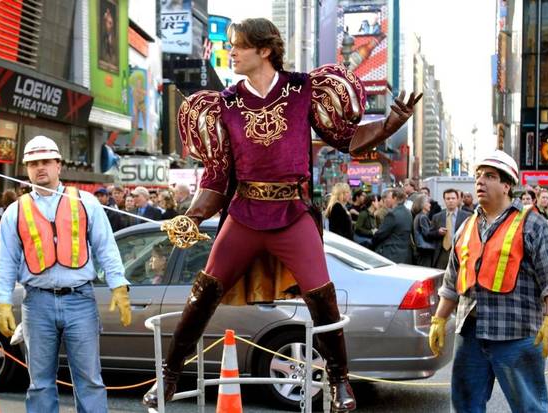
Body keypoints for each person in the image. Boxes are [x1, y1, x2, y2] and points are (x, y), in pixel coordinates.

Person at [142, 17, 420, 411]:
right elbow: (217, 177)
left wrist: (391, 122)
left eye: (238, 45)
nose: (232, 51)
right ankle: (168, 376)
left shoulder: (303, 89)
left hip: (292, 213)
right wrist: (191, 215)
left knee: (322, 298)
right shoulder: (224, 102)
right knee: (203, 292)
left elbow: (344, 139)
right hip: (244, 213)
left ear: (265, 50)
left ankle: (340, 380)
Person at [0, 135, 132, 412]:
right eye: (33, 163)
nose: (39, 168)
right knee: (40, 383)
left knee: (89, 380)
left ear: (59, 165)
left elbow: (106, 246)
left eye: (46, 162)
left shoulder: (86, 202)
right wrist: (2, 301)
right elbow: (5, 260)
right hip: (37, 303)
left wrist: (119, 285)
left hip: (79, 299)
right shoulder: (15, 211)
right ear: (26, 168)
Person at [428, 150, 548, 413]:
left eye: (489, 176)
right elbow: (451, 281)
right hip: (470, 334)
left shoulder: (534, 225)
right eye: (478, 176)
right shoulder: (466, 227)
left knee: (529, 407)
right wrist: (439, 319)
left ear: (507, 185)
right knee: (465, 406)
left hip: (516, 334)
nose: (480, 182)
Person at [428, 189, 470, 270]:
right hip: (441, 254)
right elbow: (429, 234)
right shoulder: (437, 217)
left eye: (453, 198)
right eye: (448, 198)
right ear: (444, 200)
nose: (450, 201)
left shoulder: (467, 216)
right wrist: (438, 232)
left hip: (459, 253)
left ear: (457, 199)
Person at [372, 188, 414, 264]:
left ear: (395, 198)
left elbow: (380, 234)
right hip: (405, 254)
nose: (387, 200)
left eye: (389, 198)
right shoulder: (408, 213)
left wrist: (373, 239)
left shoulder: (392, 214)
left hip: (391, 253)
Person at [411, 195, 436, 267]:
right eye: (428, 202)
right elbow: (427, 234)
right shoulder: (423, 217)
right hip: (425, 250)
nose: (430, 205)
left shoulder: (418, 216)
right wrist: (437, 232)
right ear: (422, 204)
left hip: (420, 250)